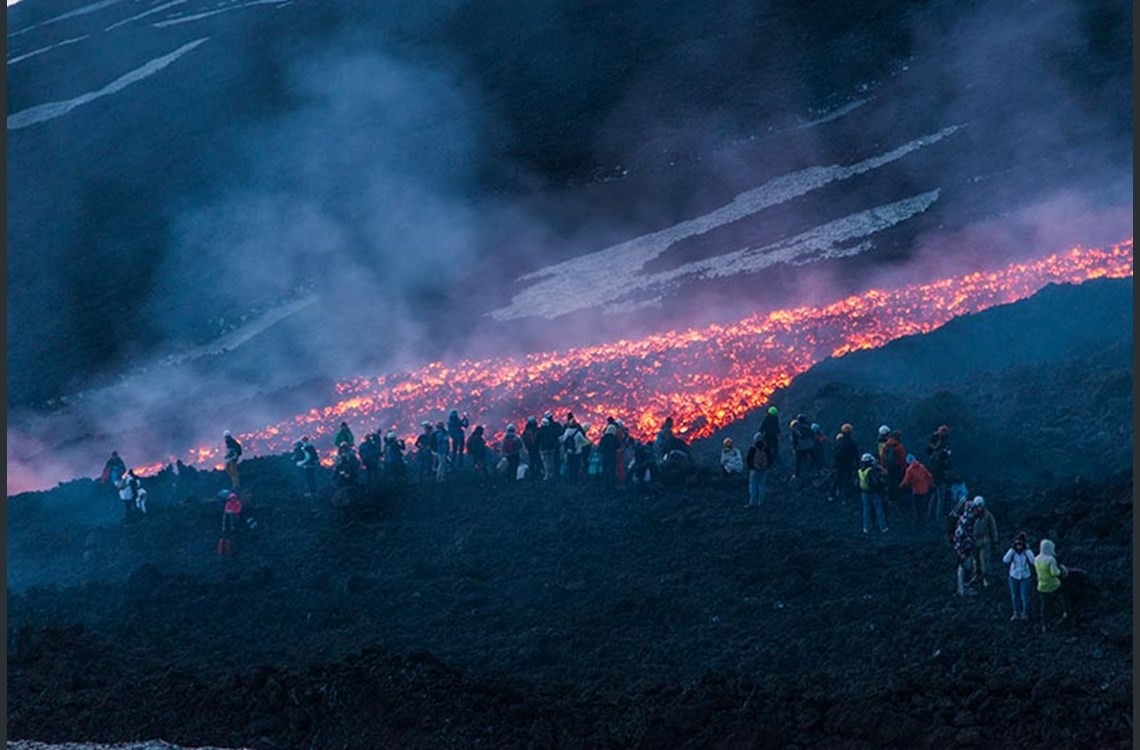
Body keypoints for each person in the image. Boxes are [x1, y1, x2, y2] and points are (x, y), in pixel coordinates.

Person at [1034, 539, 1068, 632]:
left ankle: (1044, 624)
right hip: (1053, 585)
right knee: (1062, 596)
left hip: (1042, 585)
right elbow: (1054, 573)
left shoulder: (1036, 559)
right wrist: (1061, 571)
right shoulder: (1050, 559)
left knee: (1045, 605)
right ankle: (1065, 613)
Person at [1002, 532, 1035, 621]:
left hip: (1025, 577)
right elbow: (1005, 560)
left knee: (1024, 596)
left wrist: (1028, 550)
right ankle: (1016, 613)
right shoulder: (1013, 552)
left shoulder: (1026, 552)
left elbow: (1033, 561)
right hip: (1014, 576)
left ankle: (1025, 614)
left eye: (1020, 545)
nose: (1019, 547)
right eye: (1017, 545)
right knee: (1014, 596)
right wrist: (1011, 550)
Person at [899, 454, 933, 530]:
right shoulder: (922, 466)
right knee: (923, 505)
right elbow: (929, 476)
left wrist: (900, 486)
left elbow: (906, 480)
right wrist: (930, 484)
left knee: (916, 507)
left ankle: (917, 523)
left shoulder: (910, 469)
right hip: (925, 489)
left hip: (916, 491)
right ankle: (924, 521)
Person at [857, 453, 888, 534]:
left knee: (866, 511)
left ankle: (866, 528)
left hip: (864, 493)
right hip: (874, 493)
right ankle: (883, 528)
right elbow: (876, 482)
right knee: (879, 510)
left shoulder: (860, 471)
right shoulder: (871, 471)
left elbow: (856, 483)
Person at [971, 497, 999, 587]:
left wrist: (995, 541)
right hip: (974, 541)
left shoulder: (988, 515)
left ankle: (986, 578)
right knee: (975, 560)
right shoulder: (971, 515)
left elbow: (993, 528)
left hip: (985, 541)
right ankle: (976, 575)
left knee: (985, 561)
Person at [953, 499, 979, 596]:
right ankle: (964, 589)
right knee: (965, 568)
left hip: (967, 548)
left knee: (967, 568)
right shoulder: (965, 521)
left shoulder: (969, 519)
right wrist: (960, 552)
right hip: (964, 549)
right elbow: (958, 536)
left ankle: (963, 588)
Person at [831, 424, 859, 504]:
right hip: (849, 465)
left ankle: (832, 495)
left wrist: (834, 464)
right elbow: (856, 455)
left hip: (839, 464)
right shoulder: (852, 443)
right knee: (847, 481)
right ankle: (845, 499)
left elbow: (835, 454)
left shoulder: (840, 441)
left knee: (837, 479)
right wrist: (857, 465)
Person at [745, 433, 770, 507]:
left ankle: (752, 502)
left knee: (753, 485)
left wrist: (751, 467)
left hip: (754, 470)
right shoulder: (766, 448)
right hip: (763, 469)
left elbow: (748, 459)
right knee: (762, 485)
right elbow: (770, 458)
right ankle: (761, 502)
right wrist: (767, 466)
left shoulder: (753, 448)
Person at [790, 415, 815, 480]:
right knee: (811, 459)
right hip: (809, 447)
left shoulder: (795, 429)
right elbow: (813, 435)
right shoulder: (808, 427)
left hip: (800, 448)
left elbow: (794, 440)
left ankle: (797, 475)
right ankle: (811, 472)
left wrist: (794, 448)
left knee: (798, 462)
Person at [538, 413, 561, 481]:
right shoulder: (555, 426)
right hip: (553, 447)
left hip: (544, 449)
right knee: (552, 461)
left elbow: (538, 440)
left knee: (546, 462)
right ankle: (553, 474)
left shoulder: (540, 430)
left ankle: (547, 475)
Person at [562, 420, 586, 484]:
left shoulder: (567, 431)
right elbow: (583, 441)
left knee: (570, 467)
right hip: (577, 452)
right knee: (576, 467)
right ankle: (576, 480)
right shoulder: (578, 433)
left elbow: (564, 440)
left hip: (569, 452)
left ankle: (570, 480)